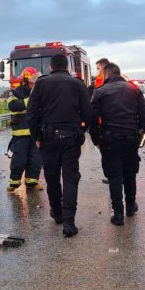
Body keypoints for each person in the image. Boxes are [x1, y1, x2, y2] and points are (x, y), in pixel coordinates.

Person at [27, 54, 92, 237]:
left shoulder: (41, 83)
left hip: (48, 139)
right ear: (67, 67)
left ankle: (57, 213)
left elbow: (32, 113)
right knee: (71, 178)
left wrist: (36, 136)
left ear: (51, 67)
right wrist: (81, 130)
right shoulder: (77, 83)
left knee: (52, 177)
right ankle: (69, 223)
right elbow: (88, 112)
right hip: (71, 138)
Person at [90, 63, 145, 225]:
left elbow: (92, 119)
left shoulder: (100, 91)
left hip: (110, 140)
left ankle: (118, 214)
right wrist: (140, 134)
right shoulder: (134, 89)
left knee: (114, 176)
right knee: (130, 174)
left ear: (106, 74)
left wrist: (96, 140)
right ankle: (130, 206)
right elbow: (144, 115)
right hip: (131, 138)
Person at [6, 67, 43, 192]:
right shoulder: (15, 92)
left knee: (35, 160)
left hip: (35, 134)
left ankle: (32, 182)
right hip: (20, 134)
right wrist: (31, 101)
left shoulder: (39, 92)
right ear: (26, 81)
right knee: (19, 160)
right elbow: (12, 105)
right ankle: (14, 183)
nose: (35, 82)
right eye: (33, 80)